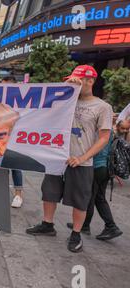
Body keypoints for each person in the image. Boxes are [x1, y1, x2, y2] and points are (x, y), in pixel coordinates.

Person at [26, 65, 113, 253]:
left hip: (82, 159)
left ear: (90, 81)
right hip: (57, 156)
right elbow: (46, 108)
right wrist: (65, 87)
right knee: (49, 191)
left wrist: (83, 157)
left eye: (78, 80)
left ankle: (76, 233)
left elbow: (104, 138)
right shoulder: (66, 99)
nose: (74, 83)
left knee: (80, 198)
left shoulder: (103, 107)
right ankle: (47, 224)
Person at [67, 128, 123, 240]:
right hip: (105, 168)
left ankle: (88, 226)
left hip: (97, 167)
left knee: (90, 198)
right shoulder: (109, 130)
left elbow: (96, 151)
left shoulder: (99, 131)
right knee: (98, 198)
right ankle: (108, 226)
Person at [2, 75, 24, 208]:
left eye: (6, 86)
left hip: (16, 137)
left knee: (16, 165)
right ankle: (1, 191)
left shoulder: (21, 101)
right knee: (0, 165)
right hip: (1, 136)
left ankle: (18, 195)